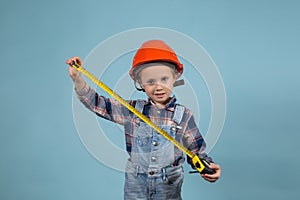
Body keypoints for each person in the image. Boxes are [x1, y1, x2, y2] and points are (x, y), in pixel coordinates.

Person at [67, 40, 221, 200]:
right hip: (136, 183)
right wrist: (78, 80)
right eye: (150, 82)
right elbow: (98, 104)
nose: (158, 87)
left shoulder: (183, 115)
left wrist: (207, 167)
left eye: (164, 79)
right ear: (140, 83)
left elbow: (196, 150)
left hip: (168, 184)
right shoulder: (131, 112)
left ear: (175, 78)